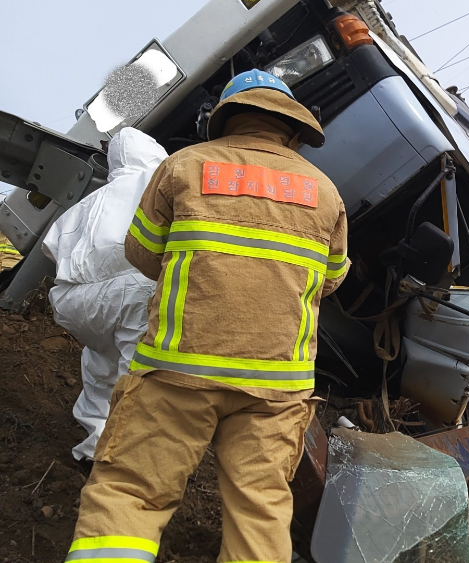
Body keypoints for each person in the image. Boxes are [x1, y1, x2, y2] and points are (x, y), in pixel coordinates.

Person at [65, 69, 349, 563]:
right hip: (276, 387)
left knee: (132, 492)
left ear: (222, 119)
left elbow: (142, 254)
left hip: (178, 369)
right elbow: (330, 280)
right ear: (292, 126)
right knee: (261, 511)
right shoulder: (325, 193)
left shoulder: (184, 166)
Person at [41, 127, 165, 461]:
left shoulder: (94, 198)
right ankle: (123, 454)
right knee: (135, 364)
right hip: (133, 294)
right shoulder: (162, 185)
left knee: (100, 360)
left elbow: (50, 249)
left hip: (71, 302)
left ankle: (94, 444)